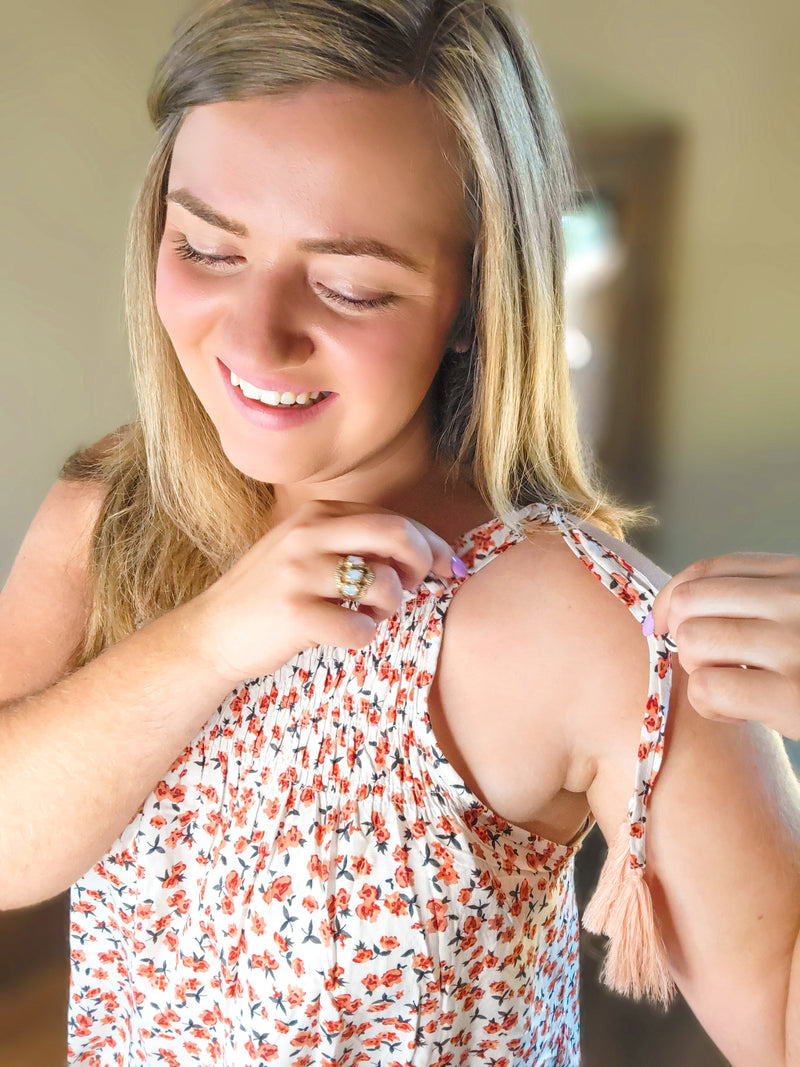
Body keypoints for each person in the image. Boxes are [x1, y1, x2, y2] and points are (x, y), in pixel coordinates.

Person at [1, 0, 798, 1063]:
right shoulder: (113, 515)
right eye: (205, 245)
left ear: (475, 295)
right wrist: (211, 636)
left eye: (349, 285)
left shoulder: (585, 621)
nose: (253, 336)